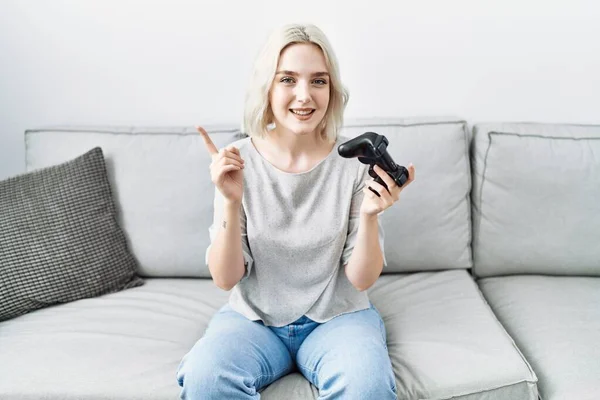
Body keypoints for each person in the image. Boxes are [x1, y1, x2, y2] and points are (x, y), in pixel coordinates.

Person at [177, 23, 415, 399]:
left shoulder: (353, 164)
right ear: (267, 88)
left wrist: (370, 216)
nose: (304, 97)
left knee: (367, 386)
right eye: (288, 79)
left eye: (318, 81)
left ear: (331, 90)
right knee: (205, 379)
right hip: (253, 321)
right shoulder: (238, 163)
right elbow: (225, 279)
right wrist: (229, 200)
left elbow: (361, 280)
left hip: (339, 318)